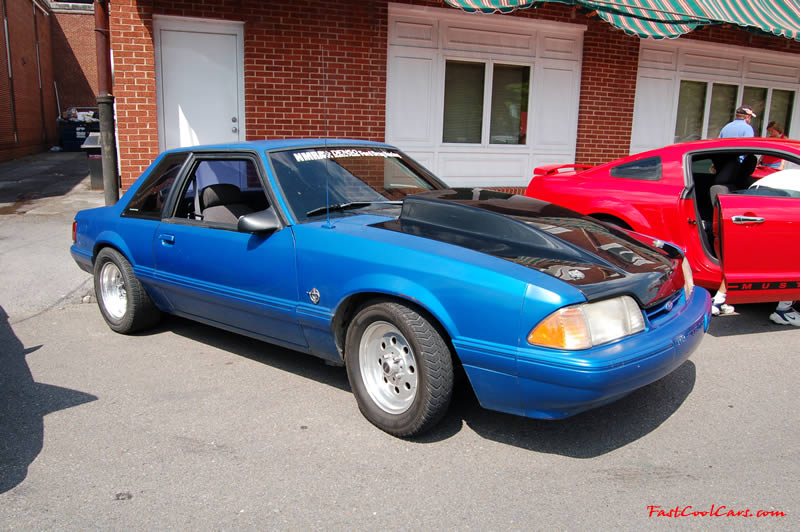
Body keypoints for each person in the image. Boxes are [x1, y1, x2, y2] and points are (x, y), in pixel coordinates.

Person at [712, 105, 757, 315]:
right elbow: (747, 153)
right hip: (734, 176)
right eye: (750, 117)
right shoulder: (747, 130)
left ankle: (722, 298)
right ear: (747, 117)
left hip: (724, 174)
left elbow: (719, 151)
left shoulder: (726, 127)